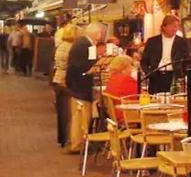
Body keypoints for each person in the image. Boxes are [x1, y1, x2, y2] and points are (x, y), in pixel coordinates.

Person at [65, 22, 107, 154]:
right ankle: (78, 144)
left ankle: (77, 143)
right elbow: (87, 67)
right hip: (80, 86)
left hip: (75, 84)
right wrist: (99, 65)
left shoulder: (81, 43)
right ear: (97, 33)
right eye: (101, 33)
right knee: (82, 116)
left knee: (78, 116)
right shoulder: (87, 45)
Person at [140, 15, 189, 94]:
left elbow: (187, 60)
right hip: (156, 76)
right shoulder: (152, 41)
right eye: (172, 26)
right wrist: (148, 73)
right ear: (164, 27)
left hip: (174, 76)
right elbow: (144, 61)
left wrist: (183, 74)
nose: (174, 29)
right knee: (155, 101)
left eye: (176, 27)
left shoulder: (182, 42)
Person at [51, 23, 79, 148]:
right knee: (68, 112)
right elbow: (72, 66)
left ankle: (62, 139)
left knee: (61, 113)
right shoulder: (71, 47)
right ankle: (68, 138)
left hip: (58, 79)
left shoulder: (61, 45)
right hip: (65, 81)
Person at [104, 54, 140, 121]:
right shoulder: (127, 80)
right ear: (124, 67)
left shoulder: (112, 79)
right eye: (131, 66)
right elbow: (140, 96)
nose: (132, 69)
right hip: (127, 115)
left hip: (114, 114)